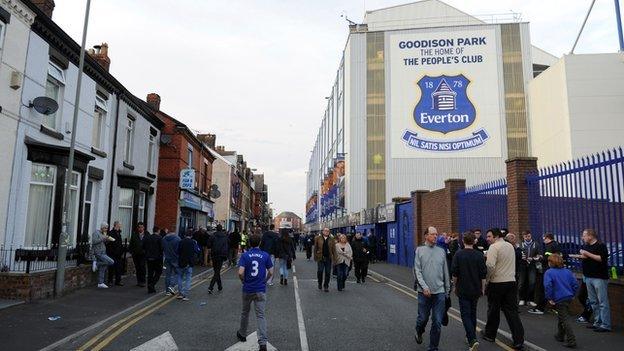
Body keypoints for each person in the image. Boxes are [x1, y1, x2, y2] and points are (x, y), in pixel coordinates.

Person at [482, 228, 524, 350]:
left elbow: (490, 266)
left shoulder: (494, 248)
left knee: (493, 310)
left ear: (495, 236)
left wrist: (487, 280)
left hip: (497, 282)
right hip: (511, 282)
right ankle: (518, 340)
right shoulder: (510, 246)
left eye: (489, 236)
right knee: (512, 312)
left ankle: (490, 334)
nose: (487, 239)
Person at [413, 226, 450, 351]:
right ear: (426, 236)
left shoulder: (441, 251)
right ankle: (419, 330)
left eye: (436, 234)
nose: (435, 236)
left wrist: (447, 290)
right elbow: (417, 271)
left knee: (437, 322)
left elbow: (445, 271)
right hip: (424, 292)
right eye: (433, 234)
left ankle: (433, 347)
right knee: (423, 318)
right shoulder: (419, 250)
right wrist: (424, 287)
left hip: (439, 292)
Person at [236, 234, 273, 351]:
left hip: (248, 289)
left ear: (249, 243)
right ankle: (262, 342)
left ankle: (242, 334)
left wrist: (243, 281)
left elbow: (240, 272)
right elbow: (271, 272)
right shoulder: (265, 255)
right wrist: (265, 281)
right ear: (260, 243)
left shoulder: (245, 256)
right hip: (260, 289)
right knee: (261, 315)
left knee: (245, 312)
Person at [451, 232, 487, 351]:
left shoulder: (458, 254)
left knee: (465, 314)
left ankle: (472, 340)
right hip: (476, 289)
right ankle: (470, 336)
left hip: (463, 288)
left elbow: (455, 274)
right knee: (472, 313)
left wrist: (455, 286)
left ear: (463, 241)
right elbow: (483, 275)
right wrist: (483, 288)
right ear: (474, 241)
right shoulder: (479, 255)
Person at [571, 228, 611, 332]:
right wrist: (581, 256)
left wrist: (586, 253)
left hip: (599, 277)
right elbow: (588, 257)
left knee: (602, 302)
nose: (582, 237)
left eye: (584, 235)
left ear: (590, 236)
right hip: (588, 276)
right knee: (593, 302)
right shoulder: (587, 246)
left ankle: (606, 325)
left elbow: (601, 258)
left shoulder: (601, 246)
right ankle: (597, 322)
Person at [544, 254, 578, 348]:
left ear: (551, 262)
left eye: (549, 261)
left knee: (564, 318)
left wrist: (549, 298)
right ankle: (560, 335)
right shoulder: (568, 271)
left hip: (559, 298)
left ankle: (571, 340)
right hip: (568, 297)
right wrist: (573, 294)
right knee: (562, 316)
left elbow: (548, 286)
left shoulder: (549, 272)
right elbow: (575, 284)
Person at [529, 233, 561, 315]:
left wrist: (539, 258)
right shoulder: (556, 244)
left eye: (544, 238)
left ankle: (540, 308)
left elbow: (548, 257)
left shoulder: (549, 246)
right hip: (555, 270)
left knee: (543, 289)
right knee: (553, 289)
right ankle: (555, 308)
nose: (543, 240)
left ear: (548, 238)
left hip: (548, 269)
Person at [518, 231, 539, 307]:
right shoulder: (520, 244)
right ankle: (522, 299)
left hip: (532, 265)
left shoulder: (536, 244)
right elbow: (518, 255)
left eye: (529, 236)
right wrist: (521, 257)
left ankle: (531, 300)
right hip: (522, 265)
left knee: (532, 283)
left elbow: (539, 254)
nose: (527, 238)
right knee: (521, 283)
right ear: (523, 237)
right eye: (526, 236)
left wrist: (534, 258)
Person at [177, 230, 200, 301]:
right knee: (188, 279)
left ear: (185, 235)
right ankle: (185, 295)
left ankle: (180, 293)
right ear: (191, 235)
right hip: (189, 263)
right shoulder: (193, 242)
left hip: (181, 262)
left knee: (180, 277)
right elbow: (198, 250)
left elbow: (177, 251)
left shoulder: (181, 241)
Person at [92, 223, 115, 288]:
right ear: (102, 227)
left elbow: (103, 242)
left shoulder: (103, 234)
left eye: (107, 228)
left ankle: (100, 283)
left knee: (103, 267)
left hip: (103, 252)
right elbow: (94, 241)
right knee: (111, 262)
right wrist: (103, 238)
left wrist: (107, 240)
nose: (106, 230)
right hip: (98, 252)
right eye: (105, 228)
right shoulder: (96, 233)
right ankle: (97, 264)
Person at [314, 227, 336, 292]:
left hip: (328, 258)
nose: (326, 232)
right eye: (325, 231)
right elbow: (315, 248)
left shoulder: (332, 239)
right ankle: (319, 283)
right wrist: (315, 256)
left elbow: (334, 249)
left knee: (328, 272)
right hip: (320, 257)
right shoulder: (317, 238)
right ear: (322, 231)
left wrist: (335, 258)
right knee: (320, 271)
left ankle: (326, 286)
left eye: (328, 231)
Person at [209, 224, 229, 294]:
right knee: (217, 272)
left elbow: (208, 245)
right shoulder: (225, 236)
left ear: (216, 229)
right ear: (221, 229)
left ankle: (219, 286)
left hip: (214, 255)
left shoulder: (212, 236)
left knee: (216, 271)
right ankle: (211, 287)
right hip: (221, 256)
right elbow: (227, 246)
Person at [162, 227, 181, 296]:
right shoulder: (178, 239)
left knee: (168, 275)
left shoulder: (164, 239)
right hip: (176, 259)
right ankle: (172, 285)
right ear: (175, 231)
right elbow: (179, 250)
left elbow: (162, 248)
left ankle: (167, 291)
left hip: (167, 258)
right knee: (178, 274)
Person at [144, 226, 163, 294]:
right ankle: (152, 285)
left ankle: (150, 289)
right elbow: (161, 248)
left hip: (149, 258)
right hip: (157, 258)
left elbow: (143, 246)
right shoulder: (159, 238)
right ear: (158, 231)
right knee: (158, 272)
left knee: (150, 273)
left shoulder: (148, 237)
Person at [129, 222, 148, 287]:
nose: (140, 228)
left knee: (142, 267)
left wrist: (146, 252)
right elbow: (131, 244)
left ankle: (143, 281)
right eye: (139, 227)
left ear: (144, 228)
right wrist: (131, 252)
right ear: (137, 228)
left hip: (143, 254)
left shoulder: (147, 234)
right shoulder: (134, 235)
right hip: (136, 254)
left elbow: (149, 244)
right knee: (137, 267)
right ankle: (139, 281)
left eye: (142, 227)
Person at [106, 221, 124, 287]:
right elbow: (110, 243)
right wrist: (113, 251)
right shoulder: (111, 233)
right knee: (111, 267)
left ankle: (118, 281)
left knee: (118, 268)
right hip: (112, 253)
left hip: (118, 254)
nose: (120, 226)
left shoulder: (119, 233)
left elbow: (119, 243)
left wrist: (121, 251)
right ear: (116, 225)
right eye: (119, 225)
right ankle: (110, 281)